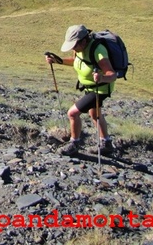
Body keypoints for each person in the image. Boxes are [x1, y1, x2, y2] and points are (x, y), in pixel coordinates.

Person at [45, 24, 116, 156]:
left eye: (74, 45)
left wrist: (101, 78)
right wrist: (57, 61)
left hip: (99, 89)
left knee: (72, 113)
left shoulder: (98, 51)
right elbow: (75, 61)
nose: (73, 48)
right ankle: (106, 144)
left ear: (83, 41)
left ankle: (74, 144)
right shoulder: (79, 49)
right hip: (90, 87)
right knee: (95, 114)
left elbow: (112, 75)